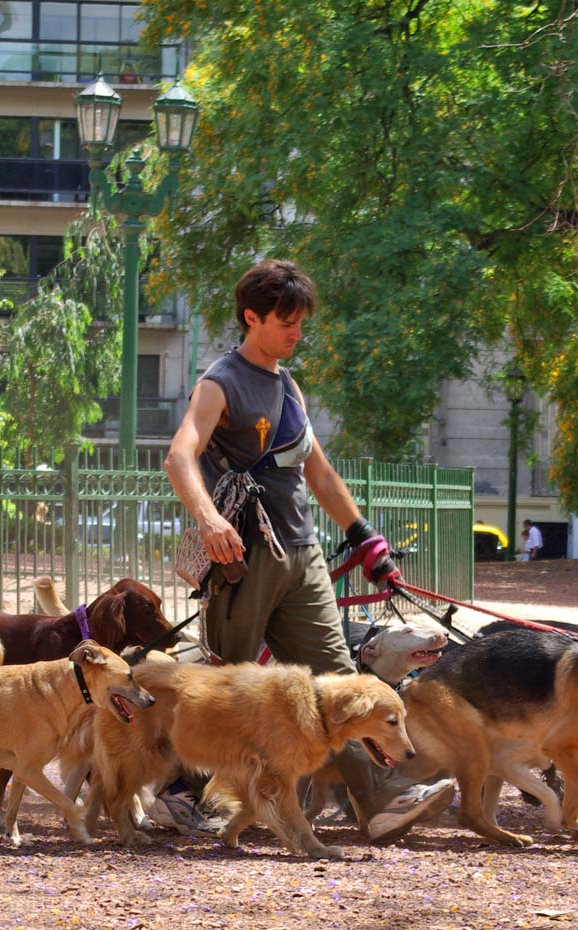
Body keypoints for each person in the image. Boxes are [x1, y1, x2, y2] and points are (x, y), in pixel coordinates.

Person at [162, 258, 455, 843]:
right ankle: (178, 792)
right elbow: (179, 456)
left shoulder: (288, 385)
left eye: (300, 321)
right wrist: (209, 518)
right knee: (223, 689)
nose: (296, 332)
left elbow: (319, 475)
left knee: (343, 683)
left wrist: (365, 540)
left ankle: (379, 802)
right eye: (285, 321)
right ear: (252, 317)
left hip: (302, 555)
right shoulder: (219, 381)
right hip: (242, 561)